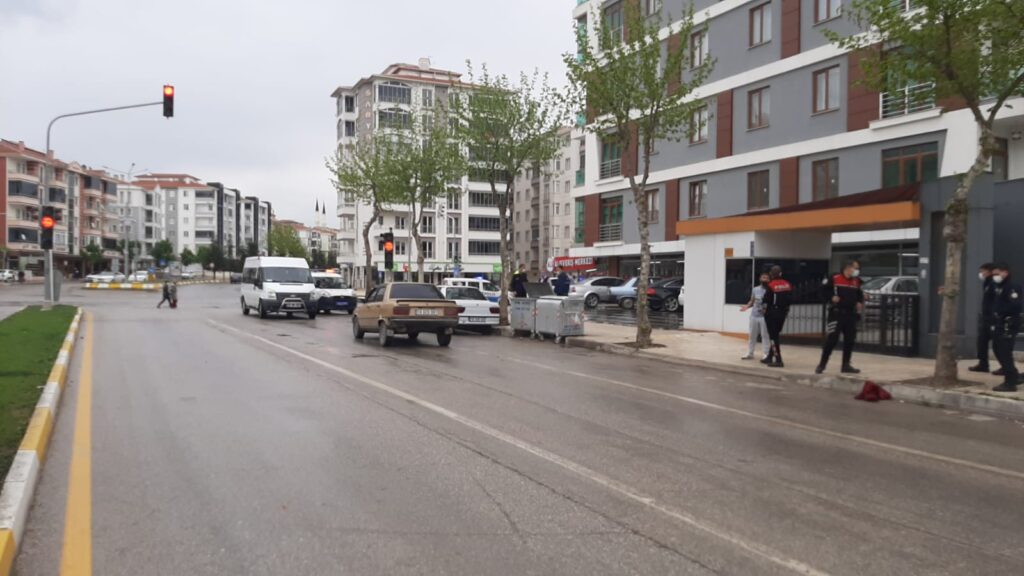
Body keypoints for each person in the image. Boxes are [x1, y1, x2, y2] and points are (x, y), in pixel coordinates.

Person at [816, 261, 865, 374]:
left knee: (850, 340)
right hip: (837, 314)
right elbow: (822, 291)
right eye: (855, 268)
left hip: (850, 314)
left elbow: (859, 294)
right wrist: (831, 298)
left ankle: (846, 365)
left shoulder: (856, 281)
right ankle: (822, 364)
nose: (856, 271)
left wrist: (859, 301)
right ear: (847, 268)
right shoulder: (835, 278)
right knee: (832, 340)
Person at [989, 263, 1021, 392]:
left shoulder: (1012, 287)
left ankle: (1010, 382)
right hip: (1000, 322)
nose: (995, 277)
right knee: (997, 348)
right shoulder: (999, 287)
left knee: (1004, 351)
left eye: (997, 274)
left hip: (1008, 323)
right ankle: (1013, 374)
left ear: (1005, 273)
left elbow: (1015, 305)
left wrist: (1001, 312)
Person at [968, 263, 997, 374]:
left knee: (999, 345)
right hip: (986, 317)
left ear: (989, 271)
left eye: (982, 271)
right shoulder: (987, 283)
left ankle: (1006, 367)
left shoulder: (993, 283)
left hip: (992, 318)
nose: (981, 274)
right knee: (982, 341)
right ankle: (983, 364)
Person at [762, 265, 792, 368]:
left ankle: (778, 360)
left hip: (772, 313)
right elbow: (791, 299)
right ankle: (769, 357)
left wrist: (764, 311)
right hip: (783, 312)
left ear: (771, 274)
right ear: (781, 273)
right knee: (775, 334)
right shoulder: (787, 284)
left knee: (773, 337)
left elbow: (766, 300)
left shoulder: (771, 285)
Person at [740, 272, 771, 361]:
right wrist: (747, 306)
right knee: (752, 335)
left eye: (766, 278)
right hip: (754, 315)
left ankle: (766, 354)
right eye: (763, 277)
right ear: (760, 279)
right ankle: (750, 353)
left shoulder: (770, 290)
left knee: (765, 336)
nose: (765, 279)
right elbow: (752, 300)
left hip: (764, 317)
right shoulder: (755, 289)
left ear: (769, 280)